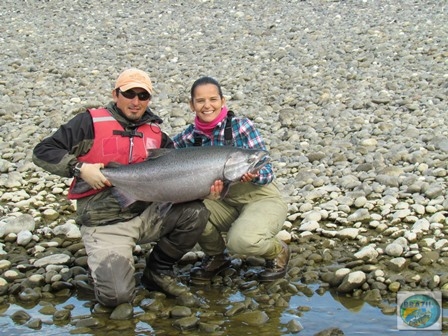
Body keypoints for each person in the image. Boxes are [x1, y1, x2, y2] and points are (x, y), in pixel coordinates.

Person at [32, 68, 214, 308]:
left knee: (196, 212)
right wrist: (80, 168)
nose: (136, 102)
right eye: (129, 94)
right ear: (115, 94)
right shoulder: (88, 123)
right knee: (117, 299)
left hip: (146, 215)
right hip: (105, 222)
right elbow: (42, 152)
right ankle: (104, 271)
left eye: (143, 96)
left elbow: (177, 179)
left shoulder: (157, 134)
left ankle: (157, 271)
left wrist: (206, 188)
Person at [173, 76, 289, 282]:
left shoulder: (242, 126)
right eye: (200, 101)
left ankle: (277, 251)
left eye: (213, 99)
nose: (207, 106)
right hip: (221, 201)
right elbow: (161, 158)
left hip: (260, 199)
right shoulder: (187, 138)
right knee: (186, 213)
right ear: (192, 105)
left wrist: (254, 175)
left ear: (222, 101)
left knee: (241, 242)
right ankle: (217, 257)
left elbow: (268, 171)